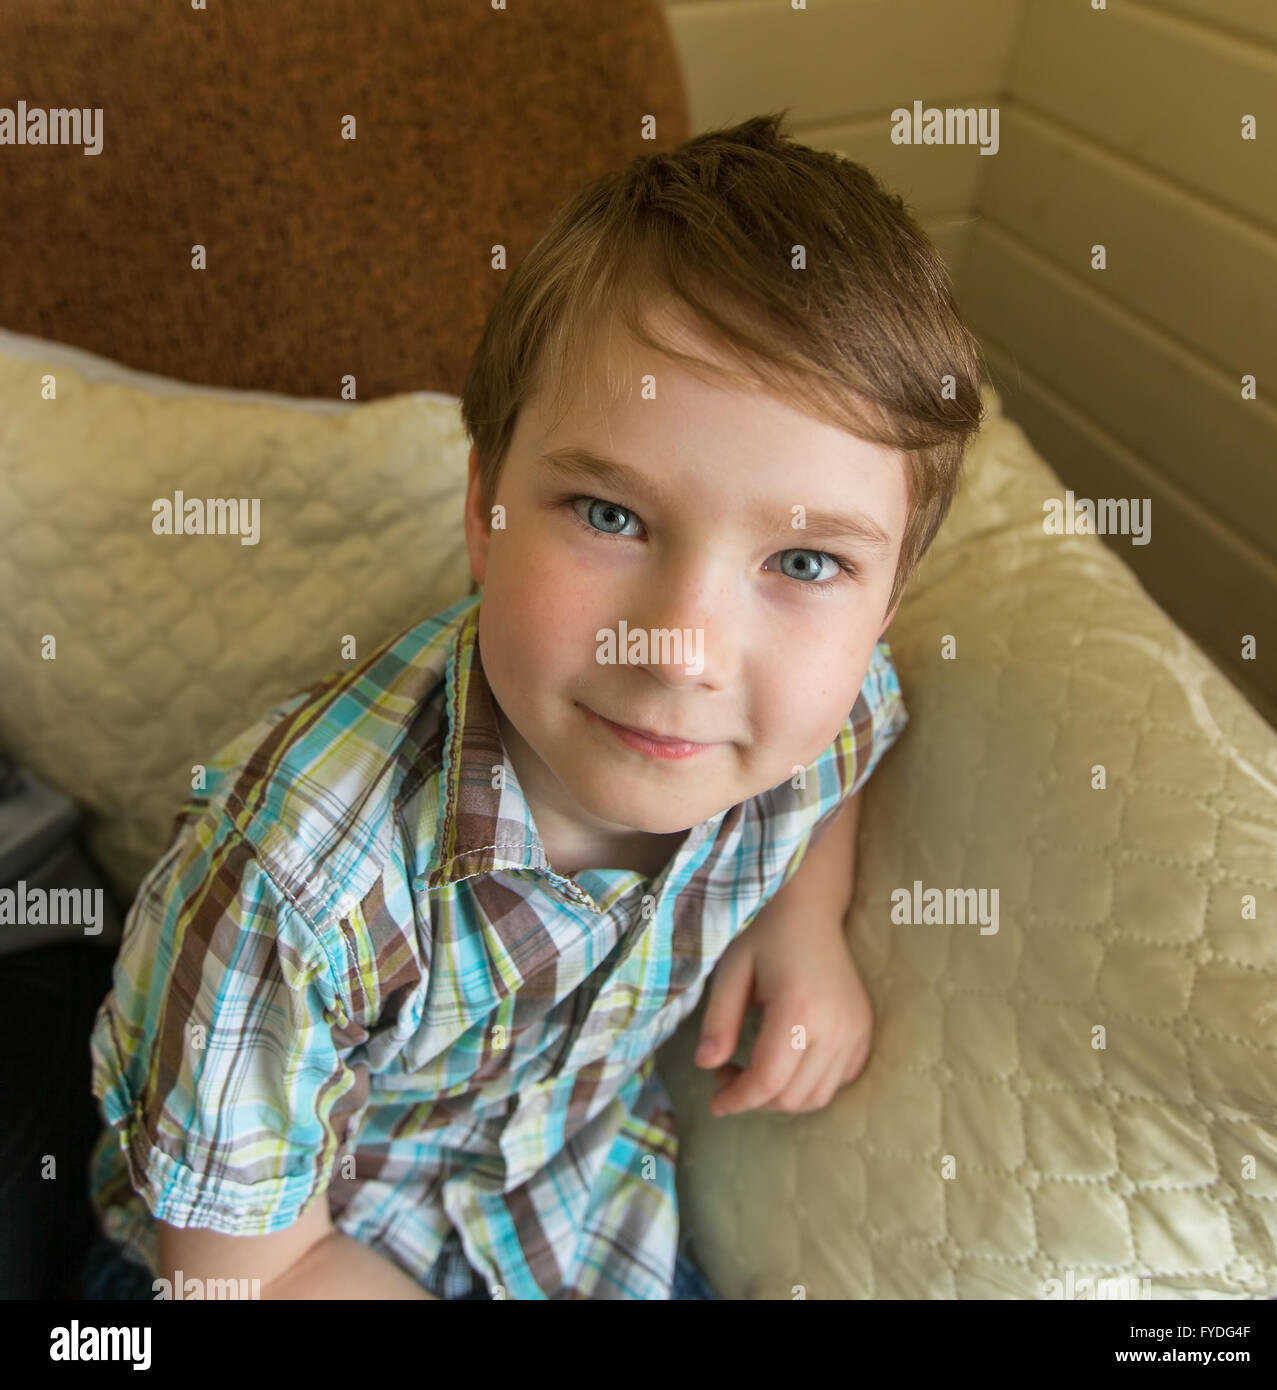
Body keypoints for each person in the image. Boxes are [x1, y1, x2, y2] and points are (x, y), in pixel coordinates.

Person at [84, 110, 986, 1300]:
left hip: (575, 1211)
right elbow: (244, 1273)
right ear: (483, 506)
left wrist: (802, 924)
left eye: (806, 564)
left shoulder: (818, 713)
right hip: (301, 1248)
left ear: (885, 603)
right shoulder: (296, 883)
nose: (682, 652)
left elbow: (845, 753)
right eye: (610, 515)